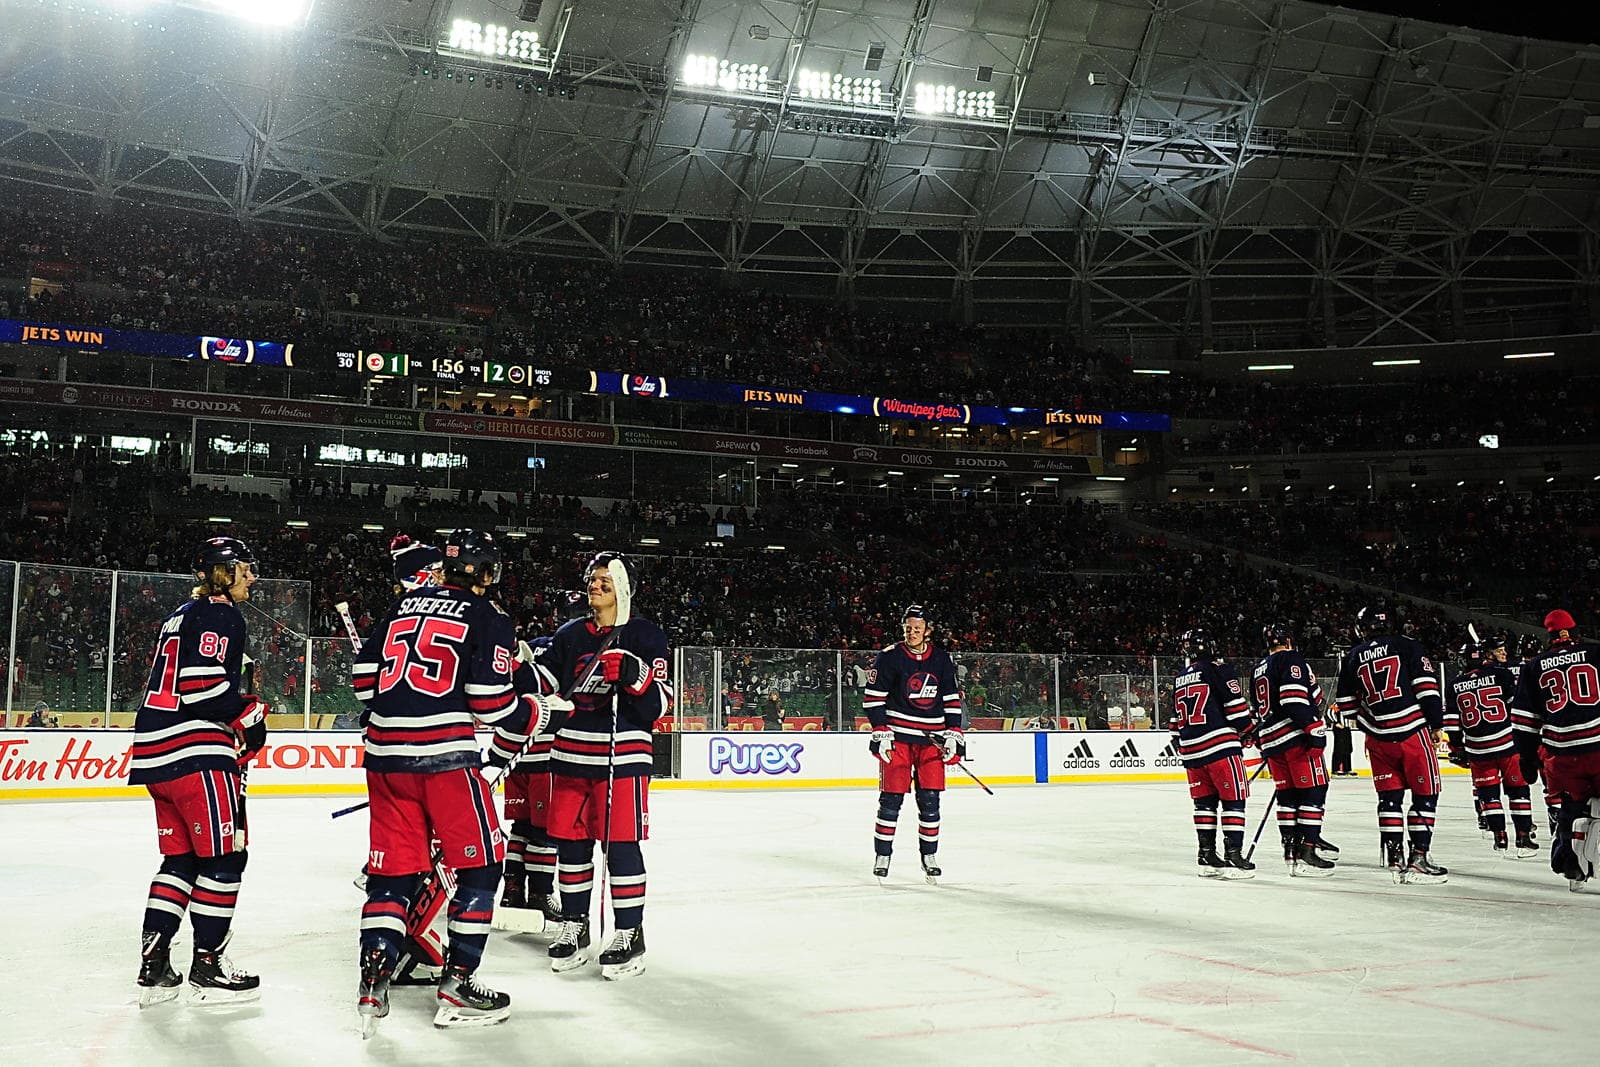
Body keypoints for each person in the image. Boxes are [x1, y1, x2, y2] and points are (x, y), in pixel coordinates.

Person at [351, 529, 568, 1033]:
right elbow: (492, 703)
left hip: (384, 758)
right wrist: (534, 711)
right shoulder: (488, 616)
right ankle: (458, 984)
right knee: (483, 863)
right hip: (444, 760)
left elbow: (364, 685)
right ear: (488, 572)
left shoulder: (400, 607)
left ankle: (371, 983)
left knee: (392, 872)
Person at [129, 536, 269, 1006]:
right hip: (196, 754)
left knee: (182, 860)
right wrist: (250, 714)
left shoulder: (179, 616)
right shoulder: (221, 613)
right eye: (245, 569)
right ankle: (207, 966)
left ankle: (154, 960)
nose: (252, 577)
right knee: (226, 858)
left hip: (156, 754)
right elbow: (202, 687)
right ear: (223, 571)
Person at [541, 552, 672, 979]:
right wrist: (530, 671)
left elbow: (658, 707)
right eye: (592, 579)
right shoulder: (568, 634)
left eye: (604, 581)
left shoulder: (646, 637)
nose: (594, 586)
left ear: (623, 588)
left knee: (620, 848)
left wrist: (635, 676)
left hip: (622, 759)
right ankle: (574, 925)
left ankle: (629, 933)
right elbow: (552, 690)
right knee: (572, 848)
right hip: (569, 758)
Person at [1335, 605, 1447, 885]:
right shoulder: (1407, 646)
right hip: (1412, 734)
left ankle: (1395, 859)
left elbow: (1347, 707)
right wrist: (1436, 724)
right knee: (1425, 795)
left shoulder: (1352, 657)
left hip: (1378, 739)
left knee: (1389, 800)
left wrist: (1370, 724)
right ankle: (1419, 858)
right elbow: (1427, 688)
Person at [865, 604, 964, 884]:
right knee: (890, 802)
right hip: (898, 738)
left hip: (932, 741)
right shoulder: (889, 657)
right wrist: (881, 730)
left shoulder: (942, 659)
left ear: (927, 631)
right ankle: (883, 856)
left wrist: (955, 734)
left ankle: (929, 856)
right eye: (908, 628)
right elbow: (873, 698)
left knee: (930, 802)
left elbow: (951, 700)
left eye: (917, 628)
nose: (912, 632)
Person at [1511, 609, 1600, 890]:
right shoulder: (1596, 654)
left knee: (1571, 808)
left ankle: (1569, 863)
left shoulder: (1534, 666)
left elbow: (1524, 721)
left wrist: (1526, 756)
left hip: (1562, 756)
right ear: (1574, 632)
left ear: (1549, 637)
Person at [1251, 622, 1337, 876]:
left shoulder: (1258, 668)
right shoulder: (1291, 659)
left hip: (1271, 738)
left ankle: (1291, 853)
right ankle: (1307, 851)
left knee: (1287, 795)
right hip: (1293, 735)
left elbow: (1258, 707)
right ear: (1288, 640)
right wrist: (1313, 729)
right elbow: (1295, 698)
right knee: (1314, 790)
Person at [1170, 629, 1255, 878]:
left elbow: (1175, 722)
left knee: (1204, 803)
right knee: (1233, 799)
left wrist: (1185, 744)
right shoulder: (1219, 668)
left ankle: (1206, 856)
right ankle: (1233, 857)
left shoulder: (1180, 677)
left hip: (1192, 751)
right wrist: (1250, 731)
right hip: (1220, 747)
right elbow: (1236, 708)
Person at [1445, 635, 1538, 858]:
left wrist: (1457, 749)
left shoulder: (1454, 685)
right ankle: (1523, 836)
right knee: (1518, 791)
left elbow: (1452, 723)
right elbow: (1515, 707)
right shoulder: (1501, 674)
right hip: (1507, 742)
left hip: (1479, 749)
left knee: (1488, 794)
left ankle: (1500, 835)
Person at [496, 635, 564, 934]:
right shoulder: (567, 650)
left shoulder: (535, 645)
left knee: (520, 828)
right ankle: (539, 893)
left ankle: (511, 892)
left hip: (513, 752)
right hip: (543, 755)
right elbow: (544, 688)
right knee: (544, 831)